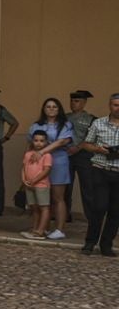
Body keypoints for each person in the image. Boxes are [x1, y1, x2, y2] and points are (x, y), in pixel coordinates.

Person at [76, 92, 119, 256]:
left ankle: (106, 245)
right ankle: (89, 242)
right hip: (101, 169)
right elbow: (86, 144)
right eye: (115, 105)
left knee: (115, 212)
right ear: (110, 105)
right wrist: (99, 149)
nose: (118, 108)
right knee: (99, 207)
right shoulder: (98, 123)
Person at [28, 97, 75, 240]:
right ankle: (43, 228)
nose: (51, 109)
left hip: (58, 162)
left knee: (58, 197)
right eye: (48, 106)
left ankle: (59, 229)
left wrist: (42, 151)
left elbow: (62, 142)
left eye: (55, 106)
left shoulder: (65, 125)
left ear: (59, 109)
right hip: (38, 164)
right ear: (43, 109)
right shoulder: (36, 126)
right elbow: (31, 145)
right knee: (42, 197)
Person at [65, 90, 95, 223]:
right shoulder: (64, 117)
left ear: (84, 103)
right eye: (72, 101)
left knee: (87, 187)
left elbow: (92, 138)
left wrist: (78, 147)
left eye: (77, 101)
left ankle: (92, 217)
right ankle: (64, 214)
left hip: (84, 155)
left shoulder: (91, 119)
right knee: (65, 186)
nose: (73, 103)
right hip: (66, 154)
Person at [20, 131, 56, 236]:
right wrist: (23, 180)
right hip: (29, 185)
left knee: (44, 207)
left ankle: (41, 230)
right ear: (32, 141)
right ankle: (34, 228)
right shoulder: (28, 154)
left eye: (41, 141)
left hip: (41, 185)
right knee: (34, 207)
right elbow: (23, 168)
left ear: (46, 142)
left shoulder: (47, 155)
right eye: (36, 140)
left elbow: (46, 170)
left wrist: (35, 180)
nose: (38, 143)